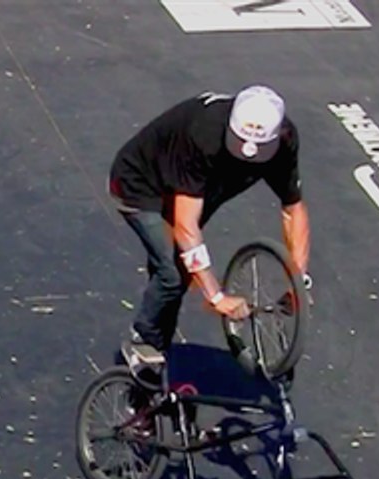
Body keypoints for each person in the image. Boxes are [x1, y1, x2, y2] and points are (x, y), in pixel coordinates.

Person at [108, 85, 312, 368]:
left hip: (202, 185)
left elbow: (293, 210)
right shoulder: (203, 135)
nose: (247, 157)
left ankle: (158, 353)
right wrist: (216, 296)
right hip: (139, 184)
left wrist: (297, 281)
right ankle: (142, 339)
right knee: (171, 273)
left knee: (181, 273)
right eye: (240, 146)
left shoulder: (286, 141)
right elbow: (185, 225)